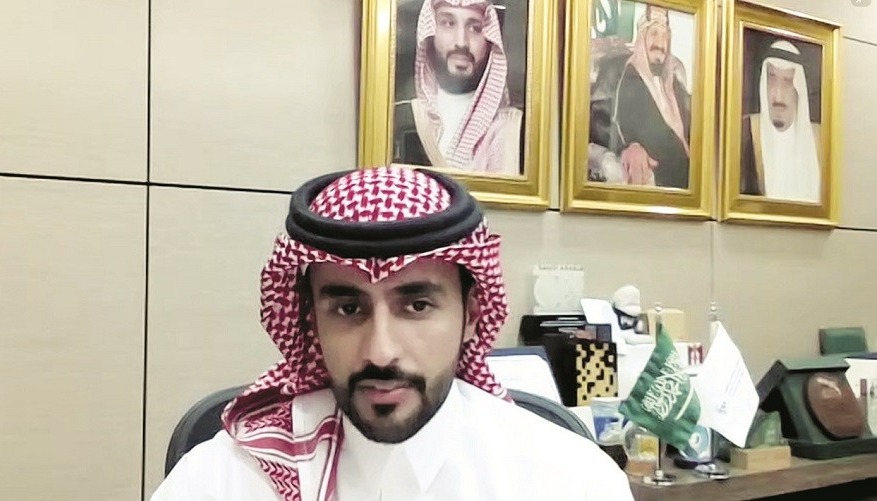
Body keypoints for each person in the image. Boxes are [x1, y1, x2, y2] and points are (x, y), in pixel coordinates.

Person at [152, 166, 633, 500]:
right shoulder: (222, 481)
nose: (380, 351)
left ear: (471, 315)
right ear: (310, 319)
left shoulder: (570, 482)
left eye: (417, 306)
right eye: (348, 308)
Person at [392, 0, 523, 176]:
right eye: (448, 23)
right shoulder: (398, 119)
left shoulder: (514, 129)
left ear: (489, 40)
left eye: (475, 28)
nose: (461, 42)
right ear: (431, 33)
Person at [612, 6, 691, 189]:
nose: (660, 44)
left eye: (665, 37)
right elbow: (620, 131)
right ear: (642, 39)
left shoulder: (674, 84)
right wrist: (632, 147)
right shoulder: (631, 82)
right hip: (661, 182)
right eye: (654, 34)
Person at [740, 39, 821, 203]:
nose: (778, 96)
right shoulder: (744, 131)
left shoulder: (821, 140)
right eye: (772, 79)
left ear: (799, 88)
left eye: (787, 82)